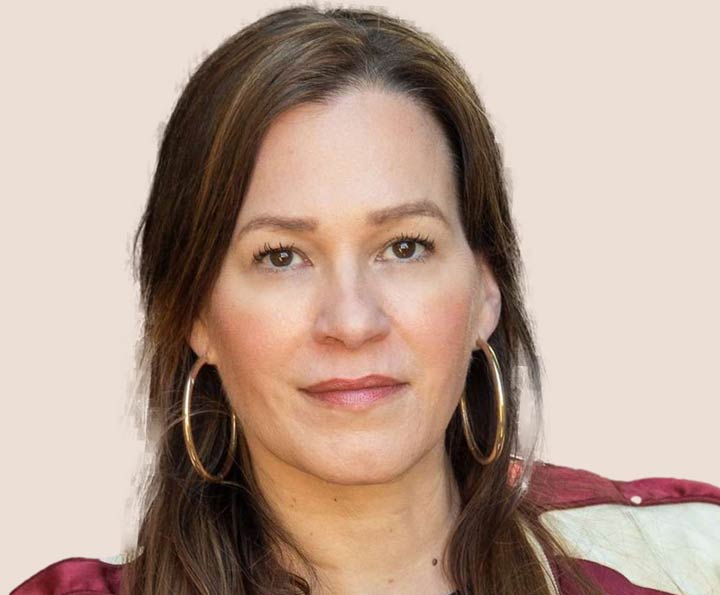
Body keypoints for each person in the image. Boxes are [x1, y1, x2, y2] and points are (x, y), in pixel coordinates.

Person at [11, 5, 720, 595]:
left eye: (405, 246)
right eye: (281, 256)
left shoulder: (680, 560)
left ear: (486, 288)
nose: (351, 322)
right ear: (196, 313)